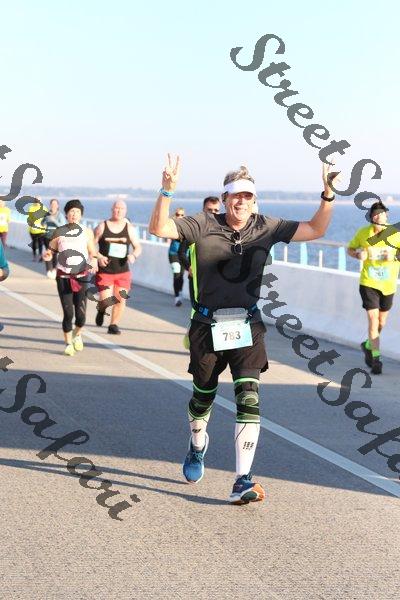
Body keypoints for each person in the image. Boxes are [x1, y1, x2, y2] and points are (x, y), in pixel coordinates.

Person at [149, 154, 339, 505]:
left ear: (254, 200)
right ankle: (197, 443)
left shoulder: (266, 226)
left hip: (247, 324)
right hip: (206, 325)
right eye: (235, 196)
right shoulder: (203, 224)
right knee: (202, 397)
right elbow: (159, 229)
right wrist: (166, 191)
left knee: (248, 398)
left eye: (247, 196)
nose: (241, 202)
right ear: (224, 199)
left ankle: (242, 479)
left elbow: (316, 230)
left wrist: (328, 194)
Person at [347, 201, 400, 375]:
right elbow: (350, 249)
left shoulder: (395, 233)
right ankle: (376, 359)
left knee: (381, 322)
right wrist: (358, 254)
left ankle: (368, 345)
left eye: (382, 213)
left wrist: (395, 256)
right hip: (368, 283)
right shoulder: (363, 233)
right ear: (371, 217)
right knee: (373, 319)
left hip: (388, 285)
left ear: (386, 216)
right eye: (375, 214)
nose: (379, 217)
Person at [49, 199, 98, 356]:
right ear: (66, 214)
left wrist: (94, 260)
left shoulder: (87, 232)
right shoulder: (59, 232)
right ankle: (68, 344)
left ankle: (77, 334)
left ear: (81, 215)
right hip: (63, 276)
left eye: (77, 212)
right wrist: (47, 254)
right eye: (71, 211)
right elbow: (51, 250)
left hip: (81, 276)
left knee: (81, 316)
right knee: (68, 313)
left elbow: (92, 252)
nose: (74, 214)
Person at [94, 200, 142, 334]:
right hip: (105, 270)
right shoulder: (102, 226)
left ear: (125, 211)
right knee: (106, 299)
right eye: (117, 208)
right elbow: (91, 245)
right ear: (112, 209)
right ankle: (101, 310)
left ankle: (113, 325)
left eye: (122, 209)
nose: (119, 211)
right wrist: (99, 257)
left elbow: (138, 247)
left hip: (122, 271)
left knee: (120, 299)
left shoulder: (129, 229)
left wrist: (133, 255)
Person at [42, 199, 66, 278]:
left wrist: (54, 220)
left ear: (57, 206)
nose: (53, 206)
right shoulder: (47, 214)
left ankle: (54, 270)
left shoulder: (60, 215)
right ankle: (49, 270)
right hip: (47, 236)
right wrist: (44, 221)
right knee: (48, 253)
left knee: (54, 254)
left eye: (55, 204)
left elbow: (62, 226)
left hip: (56, 238)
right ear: (50, 205)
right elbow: (42, 223)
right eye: (52, 204)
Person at [168, 207, 186, 306]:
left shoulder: (187, 226)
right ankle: (177, 297)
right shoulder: (172, 226)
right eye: (178, 214)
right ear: (175, 215)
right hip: (173, 253)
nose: (180, 216)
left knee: (181, 275)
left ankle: (180, 291)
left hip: (183, 254)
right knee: (176, 273)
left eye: (182, 215)